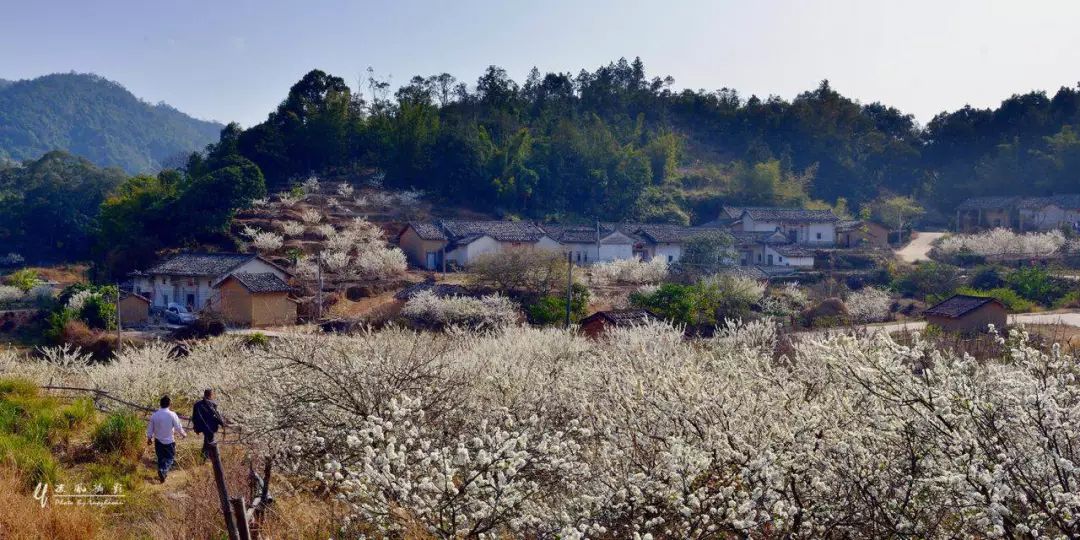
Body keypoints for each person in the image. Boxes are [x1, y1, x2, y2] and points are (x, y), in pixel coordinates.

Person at [147, 395, 186, 482]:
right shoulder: (172, 414)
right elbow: (178, 427)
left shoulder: (155, 415)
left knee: (160, 458)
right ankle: (163, 471)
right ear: (169, 404)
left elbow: (150, 428)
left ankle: (162, 473)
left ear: (160, 404)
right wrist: (183, 434)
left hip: (158, 441)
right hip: (169, 441)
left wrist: (149, 438)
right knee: (170, 458)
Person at [192, 388, 226, 459]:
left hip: (201, 426)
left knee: (207, 441)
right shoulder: (213, 404)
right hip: (211, 427)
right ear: (211, 395)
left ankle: (206, 457)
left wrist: (196, 427)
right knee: (210, 442)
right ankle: (205, 458)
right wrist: (222, 423)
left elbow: (194, 417)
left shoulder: (197, 404)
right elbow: (217, 415)